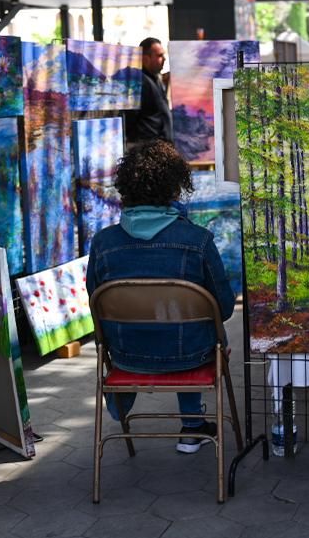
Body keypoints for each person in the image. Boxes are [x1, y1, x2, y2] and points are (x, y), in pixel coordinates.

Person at [86, 139, 235, 453]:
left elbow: (96, 309)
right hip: (190, 356)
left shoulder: (103, 243)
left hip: (127, 356)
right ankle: (192, 427)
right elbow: (223, 309)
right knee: (190, 330)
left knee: (178, 329)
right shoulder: (198, 240)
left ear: (125, 188)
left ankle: (181, 423)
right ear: (175, 187)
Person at [126, 37, 173, 144]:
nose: (164, 59)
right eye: (159, 56)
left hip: (160, 147)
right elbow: (131, 118)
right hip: (147, 148)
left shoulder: (155, 78)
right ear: (146, 58)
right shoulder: (138, 82)